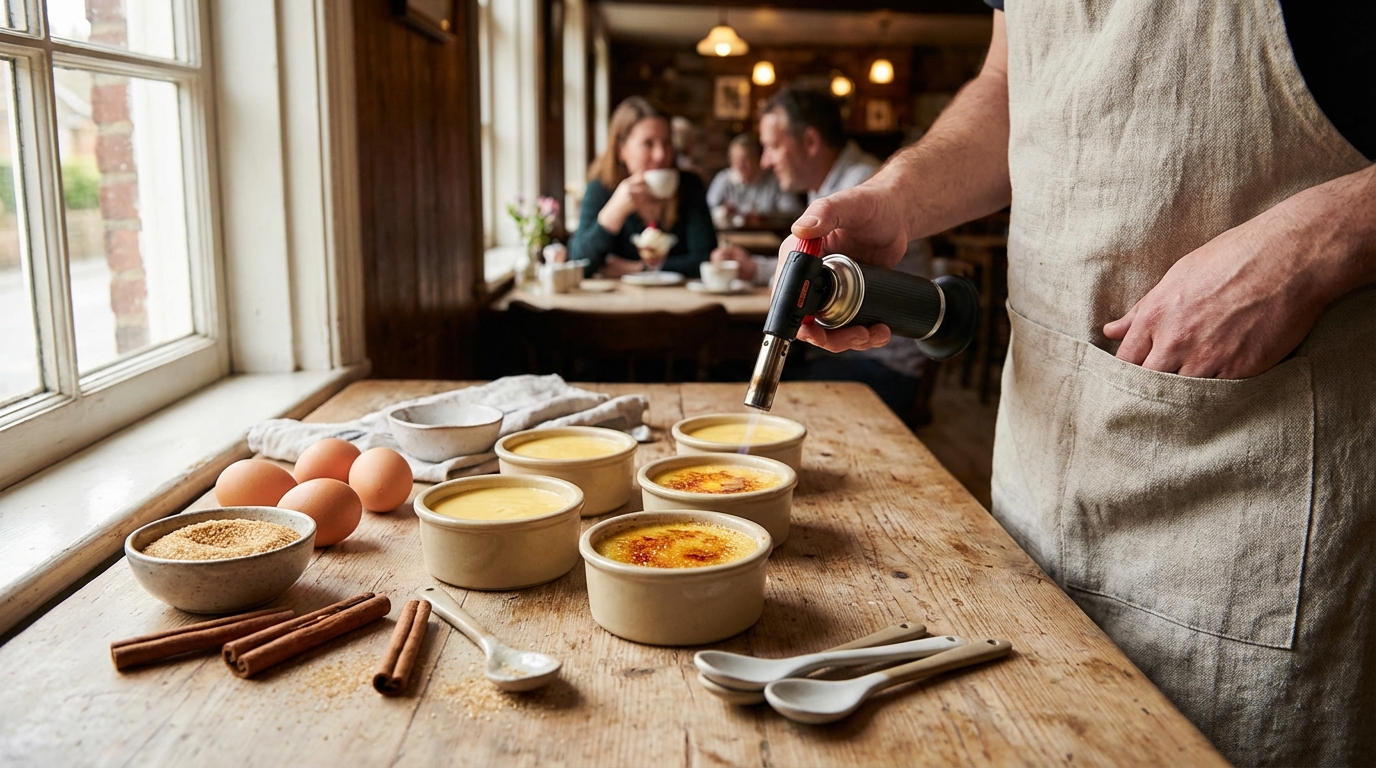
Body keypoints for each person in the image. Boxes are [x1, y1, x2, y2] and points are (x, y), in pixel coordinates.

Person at [783, 5, 1376, 766]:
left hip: (1254, 484)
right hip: (1041, 463)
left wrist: (1314, 247)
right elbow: (1009, 85)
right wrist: (899, 195)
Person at [714, 87, 929, 420]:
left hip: (884, 369)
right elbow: (818, 271)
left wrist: (758, 270)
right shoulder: (830, 185)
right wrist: (752, 268)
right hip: (856, 357)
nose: (765, 161)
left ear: (811, 142)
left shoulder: (859, 187)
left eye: (772, 146)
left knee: (740, 388)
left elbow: (812, 284)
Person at [570, 98, 715, 278]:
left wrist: (638, 269)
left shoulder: (689, 185)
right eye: (648, 144)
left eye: (667, 142)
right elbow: (578, 264)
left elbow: (706, 260)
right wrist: (614, 211)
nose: (661, 155)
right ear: (621, 150)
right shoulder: (601, 188)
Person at [706, 133, 799, 228]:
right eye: (735, 159)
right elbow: (707, 209)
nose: (740, 165)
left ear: (757, 159)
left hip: (766, 235)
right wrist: (722, 211)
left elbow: (791, 211)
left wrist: (765, 217)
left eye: (745, 159)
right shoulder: (723, 179)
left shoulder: (775, 180)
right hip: (731, 234)